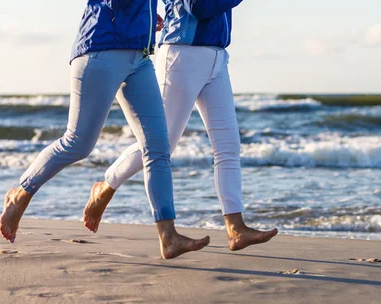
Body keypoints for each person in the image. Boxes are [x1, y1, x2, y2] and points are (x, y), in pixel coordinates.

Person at [0, 0, 210, 259]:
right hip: (100, 51)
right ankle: (20, 194)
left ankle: (168, 236)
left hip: (139, 58)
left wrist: (144, 16)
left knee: (158, 147)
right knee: (78, 143)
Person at [83, 0, 278, 251]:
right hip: (181, 53)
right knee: (161, 144)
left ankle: (236, 228)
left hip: (217, 56)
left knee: (228, 146)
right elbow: (199, 7)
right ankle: (106, 186)